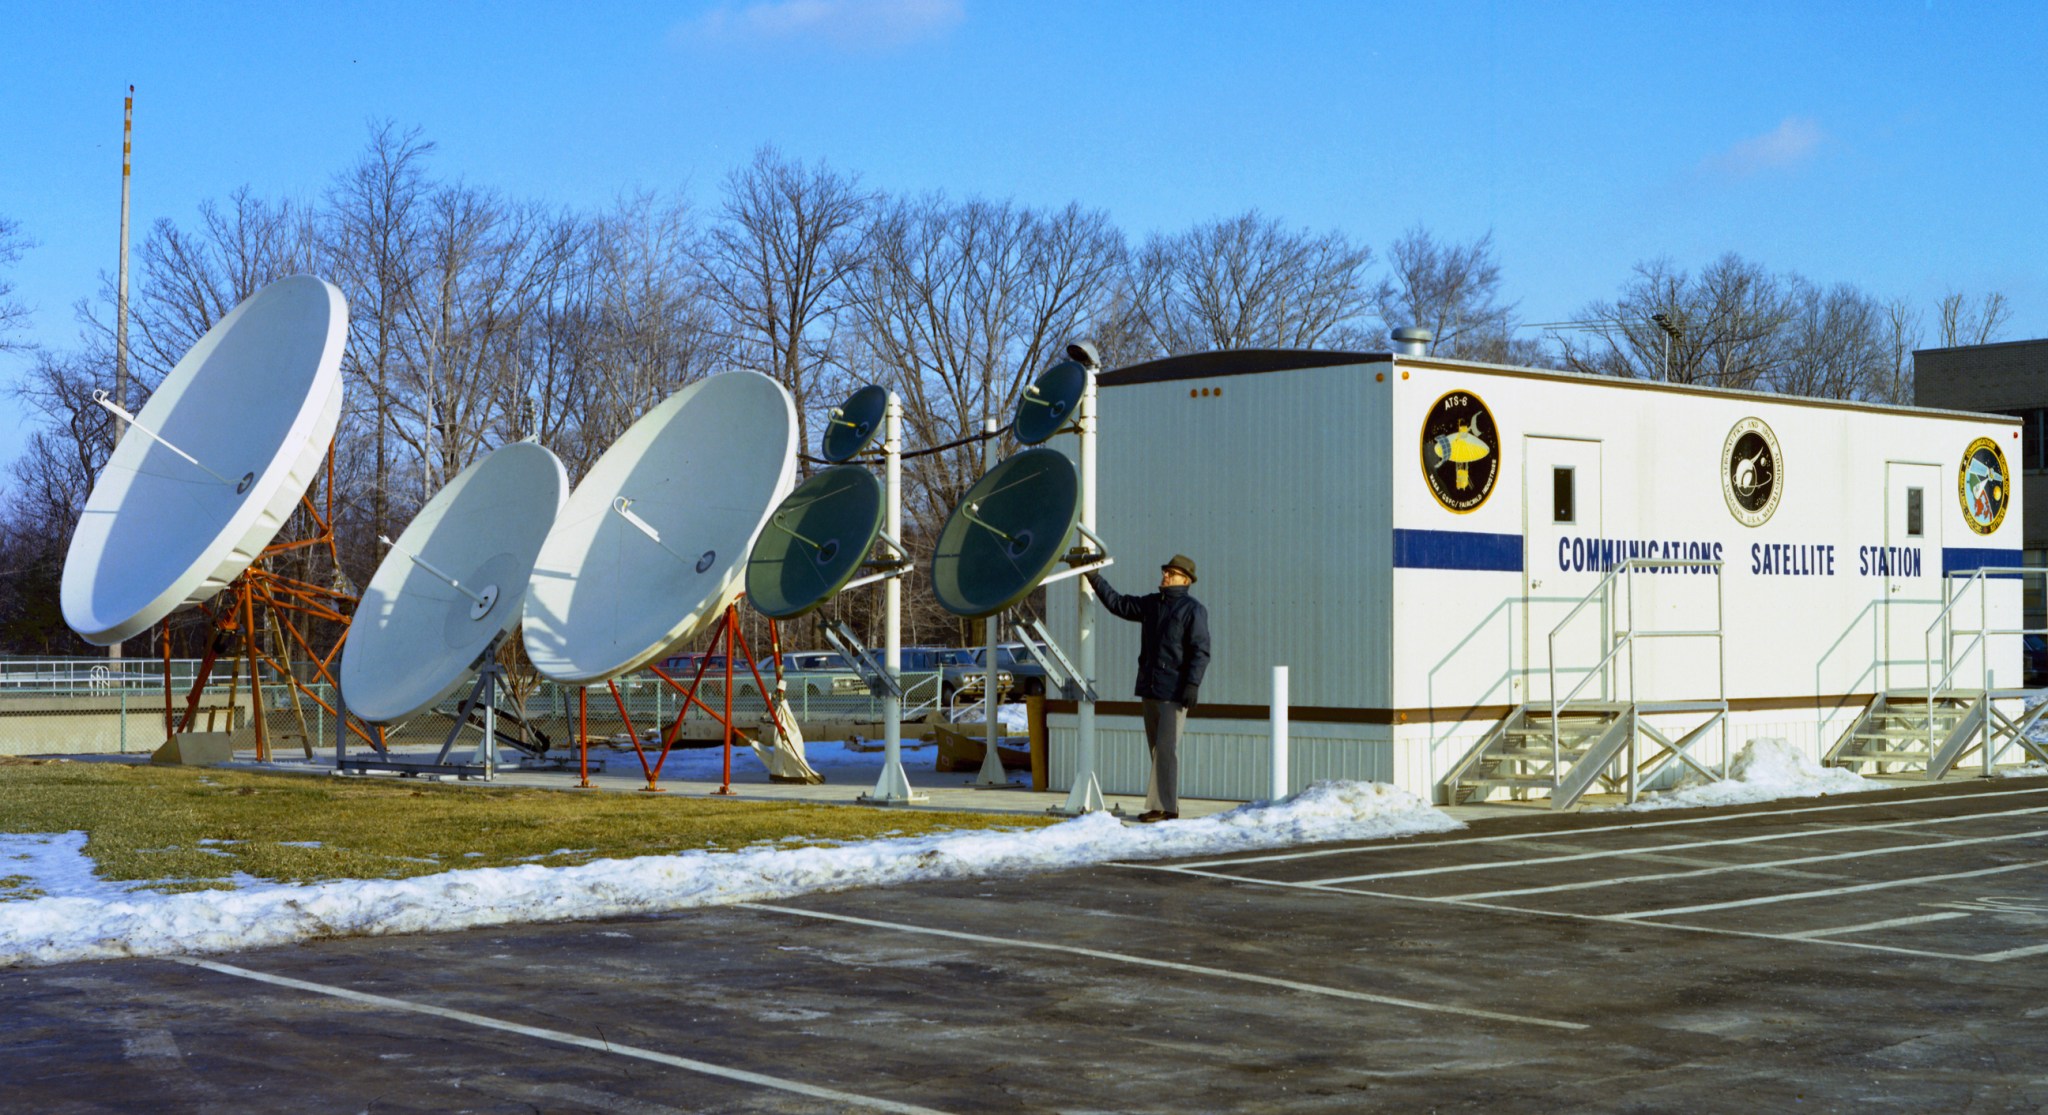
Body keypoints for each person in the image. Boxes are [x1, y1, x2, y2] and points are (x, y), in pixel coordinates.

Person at [1086, 555, 1210, 822]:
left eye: (1172, 573)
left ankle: (1166, 809)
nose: (1165, 575)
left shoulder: (1193, 610)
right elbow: (1118, 604)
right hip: (1150, 688)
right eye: (1165, 570)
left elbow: (1200, 651)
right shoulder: (1152, 605)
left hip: (1174, 692)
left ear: (1185, 581)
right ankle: (1162, 806)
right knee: (1156, 748)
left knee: (1166, 749)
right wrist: (1094, 578)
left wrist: (1192, 684)